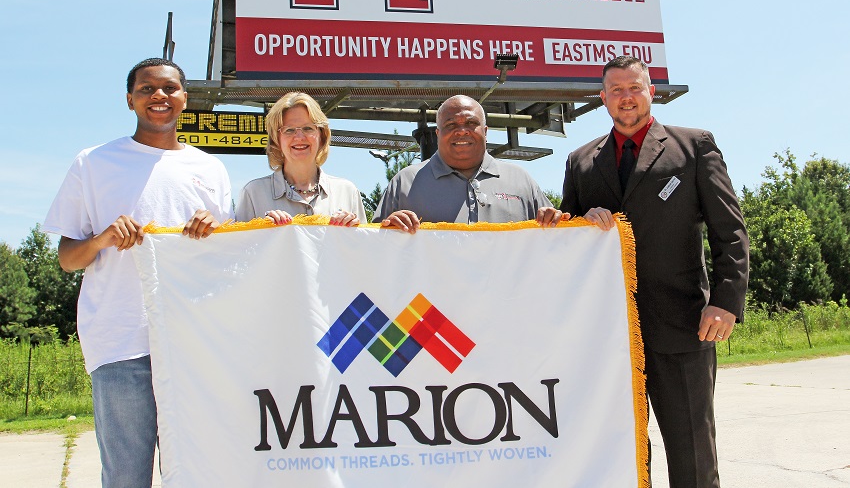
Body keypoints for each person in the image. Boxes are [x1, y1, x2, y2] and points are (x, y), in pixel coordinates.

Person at [546, 55, 748, 488]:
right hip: (609, 337)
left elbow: (729, 231)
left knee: (691, 451)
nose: (626, 97)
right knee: (618, 455)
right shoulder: (580, 161)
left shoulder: (693, 147)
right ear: (602, 99)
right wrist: (580, 221)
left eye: (634, 87)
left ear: (651, 91)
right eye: (616, 90)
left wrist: (726, 303)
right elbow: (567, 244)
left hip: (683, 326)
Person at [43, 57, 234, 487]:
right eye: (146, 90)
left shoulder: (210, 169)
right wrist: (101, 240)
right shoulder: (93, 163)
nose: (159, 97)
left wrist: (216, 233)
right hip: (120, 343)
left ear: (185, 98)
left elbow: (226, 262)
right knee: (126, 478)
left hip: (192, 344)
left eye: (169, 88)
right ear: (129, 100)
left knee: (196, 475)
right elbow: (68, 258)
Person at [373, 95, 555, 230]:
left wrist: (554, 220)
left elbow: (556, 245)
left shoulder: (520, 180)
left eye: (471, 123)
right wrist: (387, 228)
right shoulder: (405, 182)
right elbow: (373, 248)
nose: (461, 131)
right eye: (451, 124)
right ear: (438, 134)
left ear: (485, 131)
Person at [235, 92, 366, 225]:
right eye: (289, 130)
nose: (299, 137)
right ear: (276, 140)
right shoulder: (253, 194)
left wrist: (352, 231)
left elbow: (364, 245)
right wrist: (264, 231)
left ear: (322, 135)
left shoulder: (348, 192)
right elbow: (239, 245)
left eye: (308, 128)